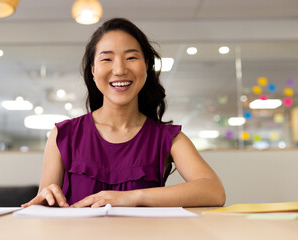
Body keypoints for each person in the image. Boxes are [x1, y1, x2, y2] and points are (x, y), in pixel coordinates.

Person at [22, 18, 225, 208]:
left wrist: (133, 197)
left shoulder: (168, 138)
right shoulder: (64, 134)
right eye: (107, 59)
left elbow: (214, 191)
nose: (119, 69)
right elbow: (46, 203)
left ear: (146, 66)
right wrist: (47, 197)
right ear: (93, 70)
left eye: (131, 57)